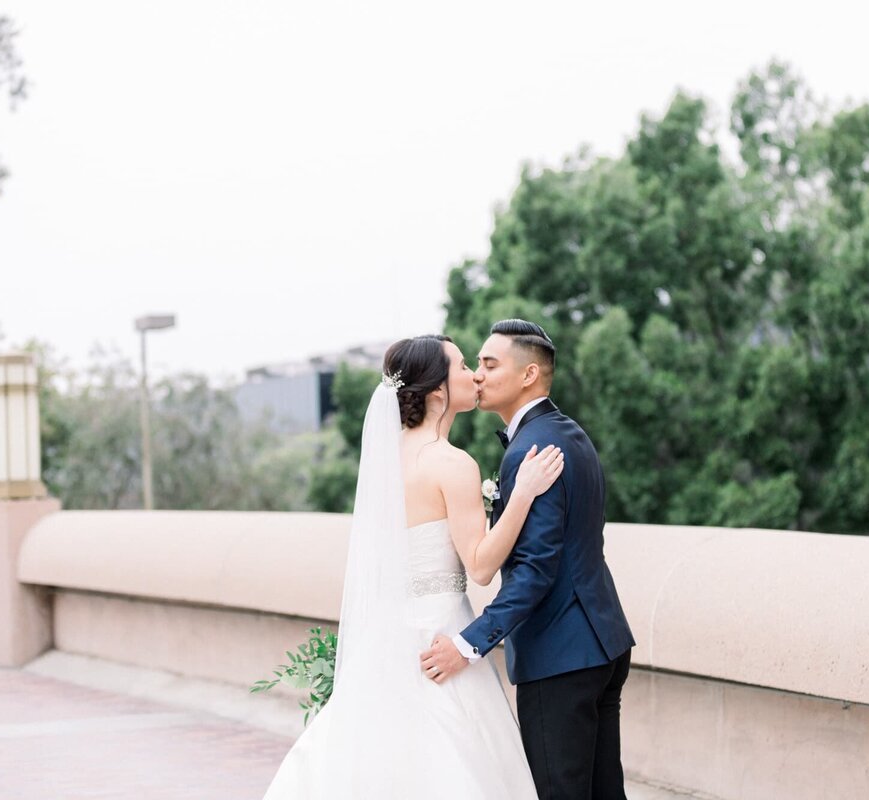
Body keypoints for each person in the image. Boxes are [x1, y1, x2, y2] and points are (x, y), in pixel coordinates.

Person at [263, 333, 563, 799]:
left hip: (389, 637)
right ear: (439, 390)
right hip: (440, 635)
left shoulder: (387, 456)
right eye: (463, 366)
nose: (473, 375)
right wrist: (522, 493)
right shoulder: (451, 463)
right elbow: (481, 566)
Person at [419, 319, 635, 800]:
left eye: (490, 364)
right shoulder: (568, 433)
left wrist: (468, 645)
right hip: (602, 641)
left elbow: (535, 571)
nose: (477, 375)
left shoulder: (532, 450)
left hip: (560, 655)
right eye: (475, 364)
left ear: (529, 375)